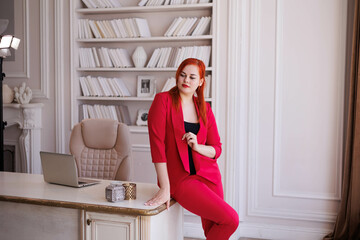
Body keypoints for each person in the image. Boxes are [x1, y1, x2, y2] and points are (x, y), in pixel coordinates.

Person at [144, 58, 239, 240]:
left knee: (217, 228)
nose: (186, 80)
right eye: (183, 75)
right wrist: (165, 187)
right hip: (182, 179)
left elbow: (216, 149)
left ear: (201, 82)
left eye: (192, 77)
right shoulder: (162, 101)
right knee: (231, 220)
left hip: (210, 176)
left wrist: (197, 147)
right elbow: (157, 147)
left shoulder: (205, 109)